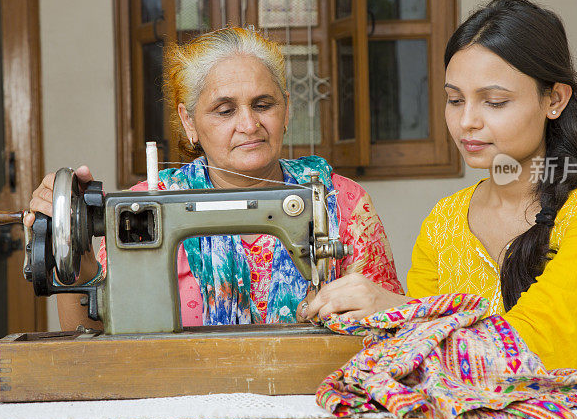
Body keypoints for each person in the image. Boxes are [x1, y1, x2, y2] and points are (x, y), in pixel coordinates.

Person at [300, 0, 577, 419]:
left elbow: (535, 352)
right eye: (455, 100)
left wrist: (397, 309)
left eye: (494, 102)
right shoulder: (445, 221)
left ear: (555, 99)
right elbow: (413, 365)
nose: (466, 122)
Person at [25, 27, 403, 329]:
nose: (249, 125)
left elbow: (394, 332)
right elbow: (86, 340)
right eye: (224, 111)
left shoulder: (343, 202)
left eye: (263, 105)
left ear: (286, 110)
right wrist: (70, 243)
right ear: (189, 122)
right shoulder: (140, 212)